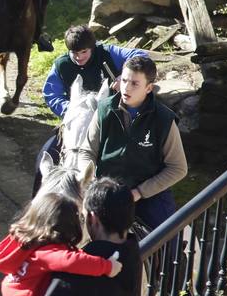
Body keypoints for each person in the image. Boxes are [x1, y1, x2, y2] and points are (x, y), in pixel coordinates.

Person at [33, 25, 148, 192]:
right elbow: (51, 94)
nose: (79, 57)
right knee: (45, 156)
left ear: (92, 48)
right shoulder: (61, 65)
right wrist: (75, 110)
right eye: (74, 53)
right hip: (75, 123)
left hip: (112, 121)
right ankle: (39, 200)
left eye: (84, 52)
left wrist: (124, 77)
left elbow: (141, 56)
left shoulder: (108, 53)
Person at [84, 55, 188, 233]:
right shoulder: (104, 110)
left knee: (167, 243)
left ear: (149, 88)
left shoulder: (164, 120)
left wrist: (139, 192)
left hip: (148, 197)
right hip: (105, 193)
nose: (126, 87)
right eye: (124, 80)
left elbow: (178, 168)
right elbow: (87, 151)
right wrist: (87, 178)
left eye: (134, 83)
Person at [0, 193, 122, 296]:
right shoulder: (45, 252)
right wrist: (108, 266)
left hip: (13, 289)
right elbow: (71, 261)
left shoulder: (26, 238)